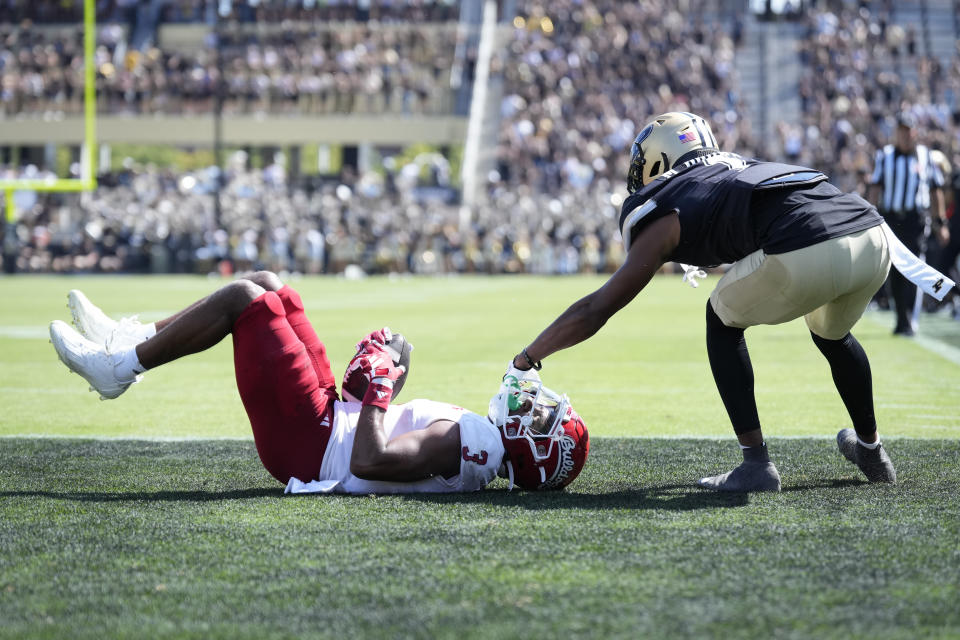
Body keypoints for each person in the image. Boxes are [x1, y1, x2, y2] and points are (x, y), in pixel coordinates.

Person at [508, 111, 954, 492]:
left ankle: (756, 463)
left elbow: (598, 307)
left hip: (807, 244)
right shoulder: (736, 164)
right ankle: (872, 451)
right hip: (872, 236)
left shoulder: (667, 199)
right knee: (832, 333)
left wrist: (529, 356)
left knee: (720, 317)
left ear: (661, 157)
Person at [49, 271, 589, 494]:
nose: (533, 405)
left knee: (246, 299)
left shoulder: (469, 443)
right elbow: (383, 450)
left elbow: (369, 463)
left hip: (313, 443)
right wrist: (382, 380)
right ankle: (128, 339)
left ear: (533, 450)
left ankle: (117, 370)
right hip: (332, 422)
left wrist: (379, 389)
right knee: (271, 285)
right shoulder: (479, 447)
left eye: (541, 418)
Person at [866, 113, 948, 336]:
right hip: (891, 218)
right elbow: (875, 188)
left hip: (916, 219)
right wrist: (869, 216)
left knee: (914, 268)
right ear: (896, 133)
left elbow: (935, 190)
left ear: (914, 132)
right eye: (900, 130)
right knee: (894, 269)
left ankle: (911, 319)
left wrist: (940, 222)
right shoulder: (885, 156)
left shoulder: (926, 156)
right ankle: (900, 318)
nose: (904, 135)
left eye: (908, 130)